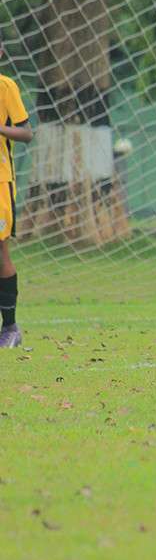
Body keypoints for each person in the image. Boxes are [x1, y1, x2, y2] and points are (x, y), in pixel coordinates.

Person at [0, 36, 33, 348]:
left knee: (0, 251)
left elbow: (26, 132)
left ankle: (9, 327)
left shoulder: (6, 86)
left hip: (0, 181)